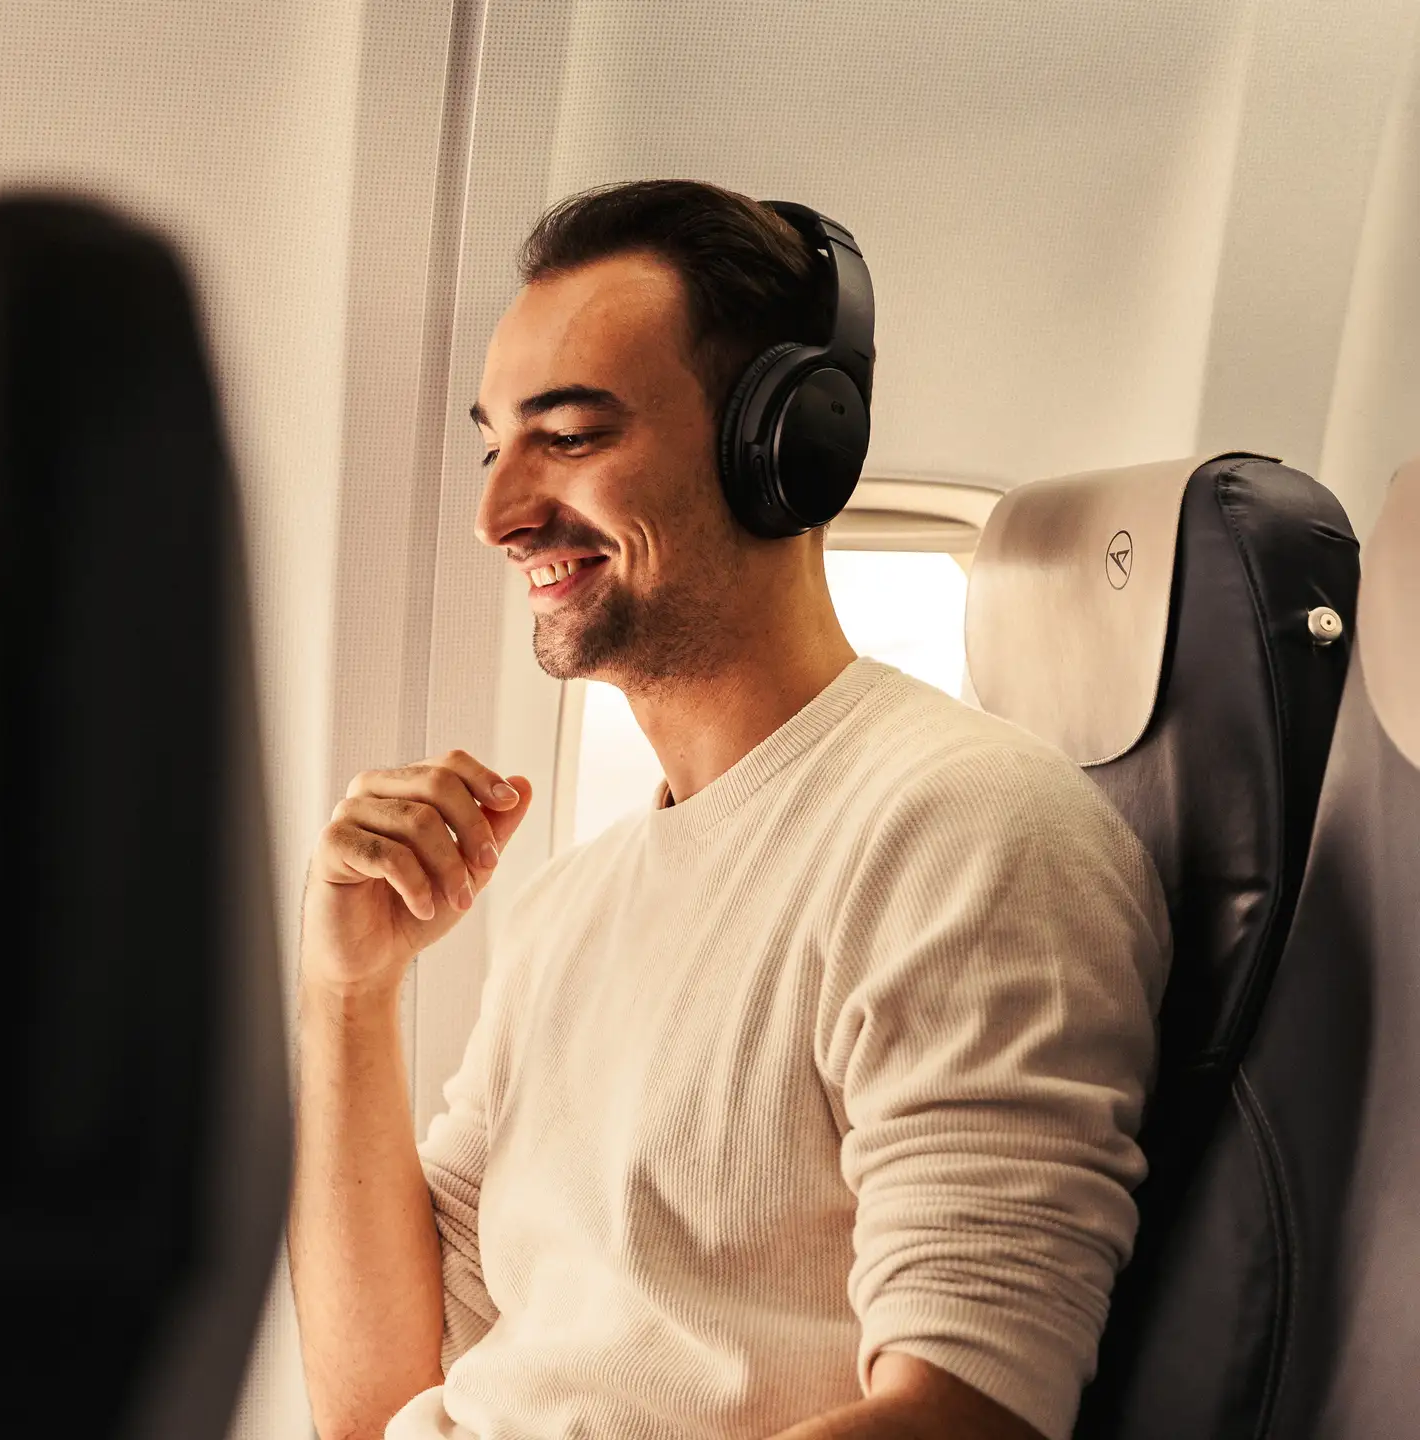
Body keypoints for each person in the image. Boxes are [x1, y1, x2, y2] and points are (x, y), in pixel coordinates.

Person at [288, 179, 1171, 1440]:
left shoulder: (965, 833)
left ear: (786, 443)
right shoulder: (569, 908)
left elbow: (967, 1416)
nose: (498, 514)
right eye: (496, 447)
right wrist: (346, 995)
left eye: (573, 436)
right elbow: (378, 1398)